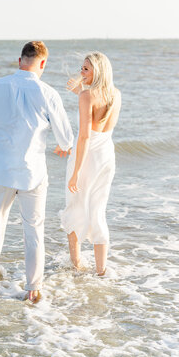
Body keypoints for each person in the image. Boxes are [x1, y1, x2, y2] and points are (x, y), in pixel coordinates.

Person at [0, 41, 73, 303]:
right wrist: (63, 146)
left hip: (0, 170)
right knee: (34, 230)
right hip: (33, 173)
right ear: (43, 64)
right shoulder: (49, 93)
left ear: (20, 61)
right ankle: (33, 288)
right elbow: (66, 139)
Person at [60, 52, 121, 276]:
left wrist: (75, 172)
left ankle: (76, 266)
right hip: (106, 156)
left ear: (98, 71)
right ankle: (101, 270)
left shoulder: (87, 96)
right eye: (81, 68)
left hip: (87, 157)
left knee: (75, 207)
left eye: (86, 69)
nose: (81, 72)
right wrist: (79, 91)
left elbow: (85, 137)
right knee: (98, 211)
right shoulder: (116, 94)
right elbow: (98, 117)